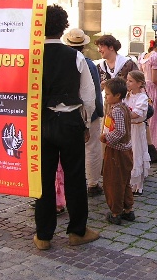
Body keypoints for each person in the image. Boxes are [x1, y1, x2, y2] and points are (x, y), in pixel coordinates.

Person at [34, 4, 99, 250]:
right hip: (69, 120)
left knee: (43, 178)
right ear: (63, 28)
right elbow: (89, 97)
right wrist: (85, 123)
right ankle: (77, 231)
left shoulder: (32, 55)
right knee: (74, 177)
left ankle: (43, 234)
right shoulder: (76, 56)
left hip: (41, 122)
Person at [61, 28, 104, 198]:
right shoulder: (88, 63)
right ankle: (92, 183)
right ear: (84, 46)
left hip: (67, 111)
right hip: (87, 111)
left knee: (70, 150)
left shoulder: (63, 62)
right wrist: (96, 112)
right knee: (92, 147)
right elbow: (94, 91)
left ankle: (70, 184)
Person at [100, 78, 135, 225]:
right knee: (124, 181)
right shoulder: (123, 107)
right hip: (125, 151)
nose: (105, 96)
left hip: (117, 152)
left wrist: (106, 137)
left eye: (108, 94)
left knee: (114, 182)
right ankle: (128, 209)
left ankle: (116, 212)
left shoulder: (117, 111)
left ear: (118, 95)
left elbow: (120, 131)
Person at [124, 71, 150, 196]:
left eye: (130, 81)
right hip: (127, 128)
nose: (127, 83)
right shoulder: (126, 95)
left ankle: (138, 184)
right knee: (128, 153)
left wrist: (122, 113)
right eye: (127, 80)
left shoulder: (143, 97)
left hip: (136, 128)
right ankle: (128, 180)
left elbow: (136, 114)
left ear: (139, 83)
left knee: (137, 152)